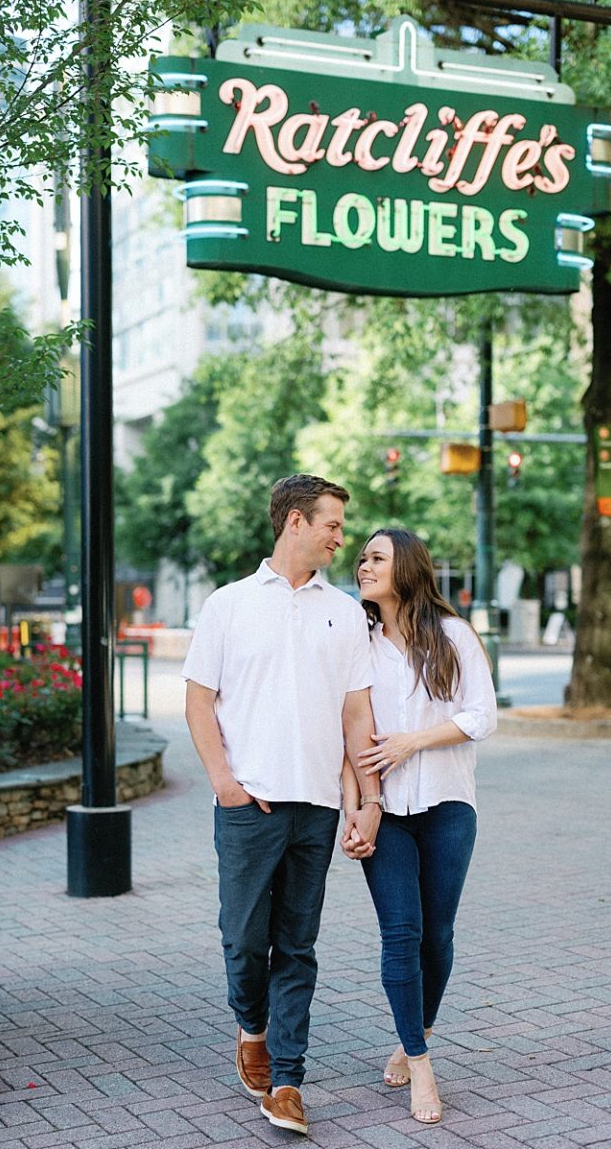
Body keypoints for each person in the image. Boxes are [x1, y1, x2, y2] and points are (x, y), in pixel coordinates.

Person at [183, 474, 382, 1136]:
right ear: (295, 521)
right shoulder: (229, 605)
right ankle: (252, 1027)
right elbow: (197, 701)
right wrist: (224, 783)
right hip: (249, 806)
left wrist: (366, 800)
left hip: (318, 808)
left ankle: (289, 1083)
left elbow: (358, 713)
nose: (340, 537)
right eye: (331, 523)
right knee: (244, 940)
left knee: (297, 946)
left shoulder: (346, 611)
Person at [340, 527, 497, 1125]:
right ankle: (421, 1061)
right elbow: (349, 734)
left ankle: (416, 1029)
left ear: (407, 566)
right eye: (361, 558)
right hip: (386, 812)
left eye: (376, 557)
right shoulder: (358, 642)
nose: (364, 565)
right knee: (401, 935)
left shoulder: (452, 635)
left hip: (449, 804)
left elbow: (482, 715)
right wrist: (357, 806)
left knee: (438, 936)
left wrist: (413, 741)